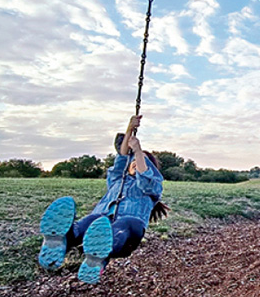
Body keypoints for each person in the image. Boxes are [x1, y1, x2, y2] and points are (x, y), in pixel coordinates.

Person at [38, 115, 165, 284]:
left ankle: (101, 251)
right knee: (92, 220)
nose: (135, 162)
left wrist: (138, 150)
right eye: (132, 161)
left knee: (123, 224)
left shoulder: (150, 188)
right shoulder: (117, 180)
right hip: (103, 218)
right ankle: (61, 241)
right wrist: (129, 128)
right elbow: (122, 157)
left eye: (140, 161)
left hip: (130, 228)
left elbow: (145, 174)